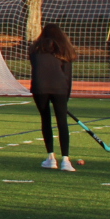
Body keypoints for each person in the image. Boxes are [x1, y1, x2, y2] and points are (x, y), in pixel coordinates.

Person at [31, 23, 77, 172]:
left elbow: (37, 69)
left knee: (46, 120)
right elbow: (67, 76)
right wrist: (66, 97)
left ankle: (51, 157)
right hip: (60, 89)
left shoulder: (35, 49)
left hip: (39, 88)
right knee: (62, 122)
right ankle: (65, 160)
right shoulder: (65, 50)